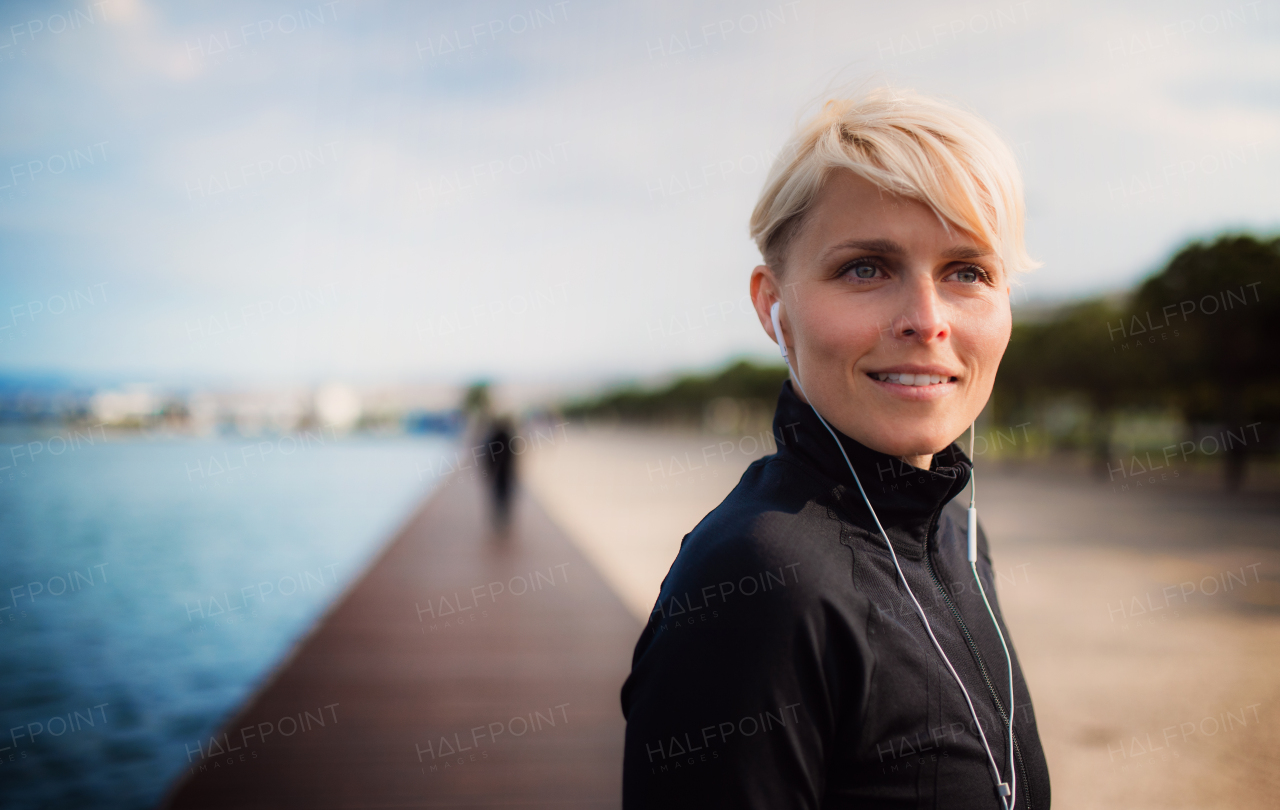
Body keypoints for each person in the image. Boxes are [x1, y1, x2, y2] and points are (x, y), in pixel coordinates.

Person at [621, 89, 1051, 808]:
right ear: (773, 306)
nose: (927, 321)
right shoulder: (757, 581)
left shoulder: (959, 539)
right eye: (866, 268)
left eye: (968, 271)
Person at [481, 417, 517, 530]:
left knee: (498, 496)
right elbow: (513, 456)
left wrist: (489, 470)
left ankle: (499, 519)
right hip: (505, 473)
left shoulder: (495, 437)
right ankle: (503, 518)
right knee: (504, 496)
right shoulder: (507, 437)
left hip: (498, 473)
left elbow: (489, 457)